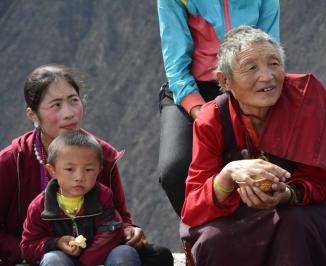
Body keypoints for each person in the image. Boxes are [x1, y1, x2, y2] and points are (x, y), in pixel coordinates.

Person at [180, 26, 326, 265]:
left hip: (298, 208)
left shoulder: (305, 98)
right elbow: (193, 207)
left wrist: (286, 193)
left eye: (274, 64)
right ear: (225, 81)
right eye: (251, 68)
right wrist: (227, 175)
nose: (267, 77)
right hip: (237, 212)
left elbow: (322, 182)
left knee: (295, 226)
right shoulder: (212, 118)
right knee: (214, 239)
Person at [0, 64, 173, 265]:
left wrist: (129, 231)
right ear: (32, 115)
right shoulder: (12, 161)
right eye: (56, 105)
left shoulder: (102, 154)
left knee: (158, 256)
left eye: (74, 101)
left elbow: (118, 215)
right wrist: (40, 248)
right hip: (39, 255)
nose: (69, 113)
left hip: (97, 250)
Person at [157, 0, 281, 216]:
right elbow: (176, 66)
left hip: (251, 82)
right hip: (193, 89)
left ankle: (259, 234)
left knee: (274, 158)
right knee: (176, 170)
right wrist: (202, 113)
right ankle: (199, 237)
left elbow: (270, 50)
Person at [20, 130, 142, 265]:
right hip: (65, 259)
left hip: (99, 256)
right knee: (53, 260)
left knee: (124, 254)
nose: (79, 178)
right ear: (52, 170)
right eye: (70, 169)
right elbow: (28, 246)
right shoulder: (40, 206)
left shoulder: (103, 197)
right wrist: (56, 243)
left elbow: (111, 232)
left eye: (89, 170)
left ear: (99, 170)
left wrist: (85, 262)